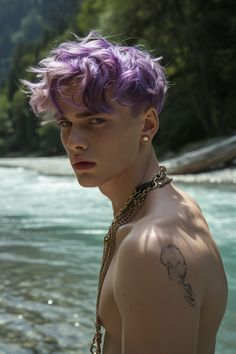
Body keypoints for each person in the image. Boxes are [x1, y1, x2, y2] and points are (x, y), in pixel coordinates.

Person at [22, 30, 228, 354]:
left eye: (95, 120)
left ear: (146, 125)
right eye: (65, 123)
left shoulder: (150, 247)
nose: (74, 140)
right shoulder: (177, 207)